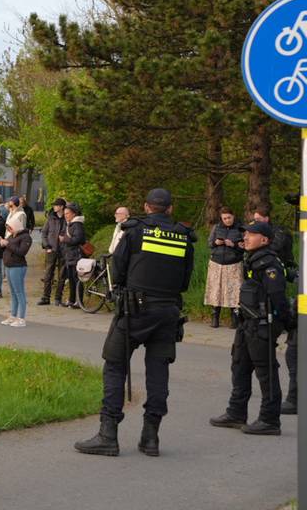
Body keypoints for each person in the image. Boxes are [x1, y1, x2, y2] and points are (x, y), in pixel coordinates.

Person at [75, 188, 193, 458]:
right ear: (170, 209)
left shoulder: (135, 230)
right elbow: (185, 281)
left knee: (115, 365)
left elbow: (117, 269)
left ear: (146, 206)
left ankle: (108, 435)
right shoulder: (184, 237)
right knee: (158, 371)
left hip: (134, 311)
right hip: (168, 312)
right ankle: (151, 437)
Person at [209, 220, 293, 436]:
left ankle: (269, 420)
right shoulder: (252, 260)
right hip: (247, 323)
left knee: (266, 374)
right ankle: (236, 412)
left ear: (264, 239)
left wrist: (285, 324)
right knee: (240, 366)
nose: (245, 237)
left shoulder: (270, 265)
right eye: (245, 234)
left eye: (251, 235)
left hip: (262, 325)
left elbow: (278, 298)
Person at [251, 204, 298, 414]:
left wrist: (288, 319)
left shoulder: (279, 236)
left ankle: (296, 398)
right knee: (294, 351)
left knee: (295, 352)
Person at [205, 207, 244, 329]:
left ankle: (235, 319)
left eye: (229, 218)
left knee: (234, 291)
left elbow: (245, 246)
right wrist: (216, 243)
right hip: (216, 263)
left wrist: (234, 245)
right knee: (216, 290)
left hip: (234, 263)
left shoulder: (241, 228)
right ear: (221, 218)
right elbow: (209, 243)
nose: (227, 220)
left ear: (233, 216)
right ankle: (215, 317)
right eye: (224, 218)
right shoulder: (216, 227)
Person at [1, 216, 32, 327]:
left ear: (16, 226)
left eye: (11, 228)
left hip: (18, 266)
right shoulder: (11, 235)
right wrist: (2, 244)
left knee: (19, 292)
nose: (9, 230)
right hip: (9, 266)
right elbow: (8, 248)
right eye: (8, 228)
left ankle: (21, 318)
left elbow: (21, 251)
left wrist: (7, 244)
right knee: (13, 292)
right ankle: (13, 316)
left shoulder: (25, 237)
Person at [56, 202, 86, 308]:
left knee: (77, 280)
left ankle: (79, 301)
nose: (65, 215)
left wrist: (65, 239)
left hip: (76, 256)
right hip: (70, 256)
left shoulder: (77, 224)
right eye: (65, 213)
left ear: (74, 214)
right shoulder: (70, 224)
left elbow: (78, 239)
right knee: (72, 280)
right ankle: (72, 300)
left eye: (67, 213)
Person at [39, 198, 67, 306]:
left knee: (62, 275)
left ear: (61, 207)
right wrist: (46, 246)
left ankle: (58, 298)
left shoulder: (67, 219)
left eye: (56, 205)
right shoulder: (51, 218)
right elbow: (44, 233)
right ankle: (45, 297)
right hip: (51, 249)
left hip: (63, 251)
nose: (54, 207)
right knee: (48, 274)